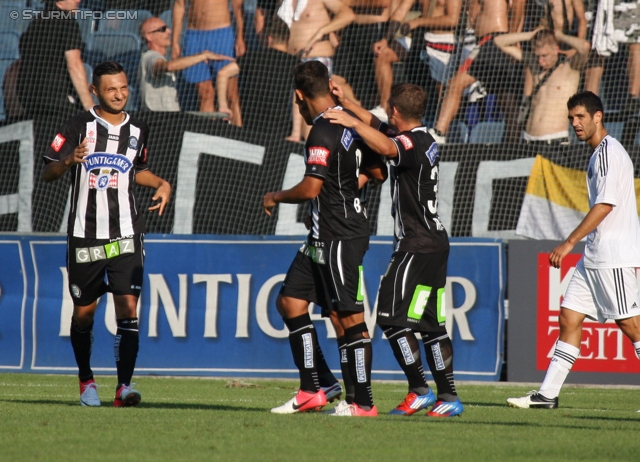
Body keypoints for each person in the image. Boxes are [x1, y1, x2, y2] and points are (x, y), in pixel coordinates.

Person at [324, 82, 463, 417]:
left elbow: (386, 145)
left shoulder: (406, 143)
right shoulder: (425, 137)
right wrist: (350, 102)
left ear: (396, 110)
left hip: (414, 244)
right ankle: (449, 397)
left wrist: (351, 122)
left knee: (389, 317)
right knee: (430, 323)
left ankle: (419, 390)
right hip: (435, 243)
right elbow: (382, 129)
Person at [42, 61, 172, 407]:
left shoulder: (138, 129)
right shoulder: (77, 125)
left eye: (124, 87)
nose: (119, 94)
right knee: (84, 313)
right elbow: (48, 172)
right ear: (96, 91)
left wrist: (161, 182)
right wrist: (69, 160)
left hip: (126, 233)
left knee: (128, 308)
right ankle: (87, 381)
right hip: (85, 235)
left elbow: (136, 171)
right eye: (111, 89)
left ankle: (123, 387)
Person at [263, 61, 385, 417]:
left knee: (347, 318)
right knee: (290, 302)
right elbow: (376, 171)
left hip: (339, 234)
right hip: (324, 232)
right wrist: (343, 189)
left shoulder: (321, 129)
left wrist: (276, 196)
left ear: (299, 96)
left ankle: (362, 403)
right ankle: (316, 386)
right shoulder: (347, 119)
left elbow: (310, 187)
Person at [507, 91, 640, 409]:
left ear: (598, 116)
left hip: (613, 255)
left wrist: (568, 242)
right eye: (571, 118)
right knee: (568, 318)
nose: (575, 123)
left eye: (580, 117)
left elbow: (605, 205)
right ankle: (547, 395)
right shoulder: (597, 153)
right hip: (595, 254)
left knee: (632, 326)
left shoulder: (608, 153)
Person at [429, 0, 526, 144]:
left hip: (492, 40)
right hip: (487, 40)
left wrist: (509, 39)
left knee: (455, 84)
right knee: (506, 97)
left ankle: (439, 132)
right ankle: (514, 143)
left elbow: (518, 9)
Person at [370, 0, 469, 121]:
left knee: (443, 88)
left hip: (444, 41)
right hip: (420, 38)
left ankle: (441, 126)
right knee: (382, 54)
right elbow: (400, 12)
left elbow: (453, 20)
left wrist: (418, 21)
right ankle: (385, 107)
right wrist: (385, 39)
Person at [495, 28, 590, 144]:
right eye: (537, 56)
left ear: (556, 50)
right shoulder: (534, 64)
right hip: (528, 140)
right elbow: (499, 41)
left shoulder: (570, 68)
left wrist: (560, 35)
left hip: (554, 141)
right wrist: (530, 35)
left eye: (544, 55)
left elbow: (584, 47)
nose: (540, 61)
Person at [280, 0, 356, 142]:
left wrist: (322, 31)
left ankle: (316, 139)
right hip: (293, 59)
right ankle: (297, 135)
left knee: (315, 99)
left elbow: (348, 15)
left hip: (317, 57)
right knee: (299, 97)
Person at [216, 16, 299, 134]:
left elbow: (222, 73)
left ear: (269, 39)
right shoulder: (295, 64)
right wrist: (295, 133)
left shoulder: (252, 57)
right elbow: (300, 97)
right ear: (288, 40)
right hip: (280, 130)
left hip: (250, 126)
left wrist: (223, 105)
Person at [139, 16, 234, 112]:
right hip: (157, 119)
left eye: (167, 28)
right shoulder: (149, 57)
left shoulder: (163, 57)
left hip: (171, 117)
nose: (169, 31)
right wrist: (204, 56)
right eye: (162, 29)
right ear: (149, 36)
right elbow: (169, 66)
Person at [17, 0, 94, 119]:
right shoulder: (67, 22)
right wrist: (89, 106)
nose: (79, 0)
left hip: (32, 106)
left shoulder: (36, 23)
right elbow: (74, 64)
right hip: (58, 107)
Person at [171, 0, 245, 121]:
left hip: (221, 35)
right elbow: (179, 5)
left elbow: (237, 5)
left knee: (230, 93)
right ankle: (208, 134)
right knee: (205, 94)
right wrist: (175, 41)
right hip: (194, 36)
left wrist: (240, 36)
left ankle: (238, 134)